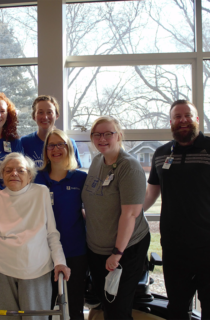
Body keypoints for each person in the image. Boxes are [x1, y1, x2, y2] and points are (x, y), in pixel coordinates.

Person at [0, 152, 70, 320]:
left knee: (36, 318)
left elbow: (51, 233)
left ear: (30, 176)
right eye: (8, 170)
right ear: (2, 175)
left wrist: (60, 262)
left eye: (20, 170)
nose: (14, 173)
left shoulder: (41, 192)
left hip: (36, 269)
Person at [143, 100, 210, 320]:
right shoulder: (161, 153)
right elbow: (151, 193)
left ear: (197, 119)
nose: (183, 120)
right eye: (177, 117)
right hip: (174, 246)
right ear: (171, 122)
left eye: (188, 116)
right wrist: (129, 214)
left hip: (207, 245)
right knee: (177, 308)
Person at [82, 116, 150, 320]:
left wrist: (117, 253)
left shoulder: (129, 167)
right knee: (105, 304)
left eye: (108, 133)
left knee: (117, 310)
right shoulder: (97, 161)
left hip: (124, 250)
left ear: (119, 135)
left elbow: (130, 214)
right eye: (97, 134)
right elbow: (94, 202)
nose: (102, 138)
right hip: (96, 249)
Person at [34, 129, 87, 320]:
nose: (55, 149)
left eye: (60, 144)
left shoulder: (81, 178)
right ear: (46, 150)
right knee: (44, 307)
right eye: (51, 145)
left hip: (75, 251)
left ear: (69, 148)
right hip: (43, 252)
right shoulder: (35, 179)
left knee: (74, 308)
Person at [21, 95, 82, 169]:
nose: (45, 117)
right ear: (34, 116)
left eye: (49, 112)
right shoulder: (24, 143)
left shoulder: (69, 143)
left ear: (57, 115)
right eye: (40, 112)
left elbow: (77, 173)